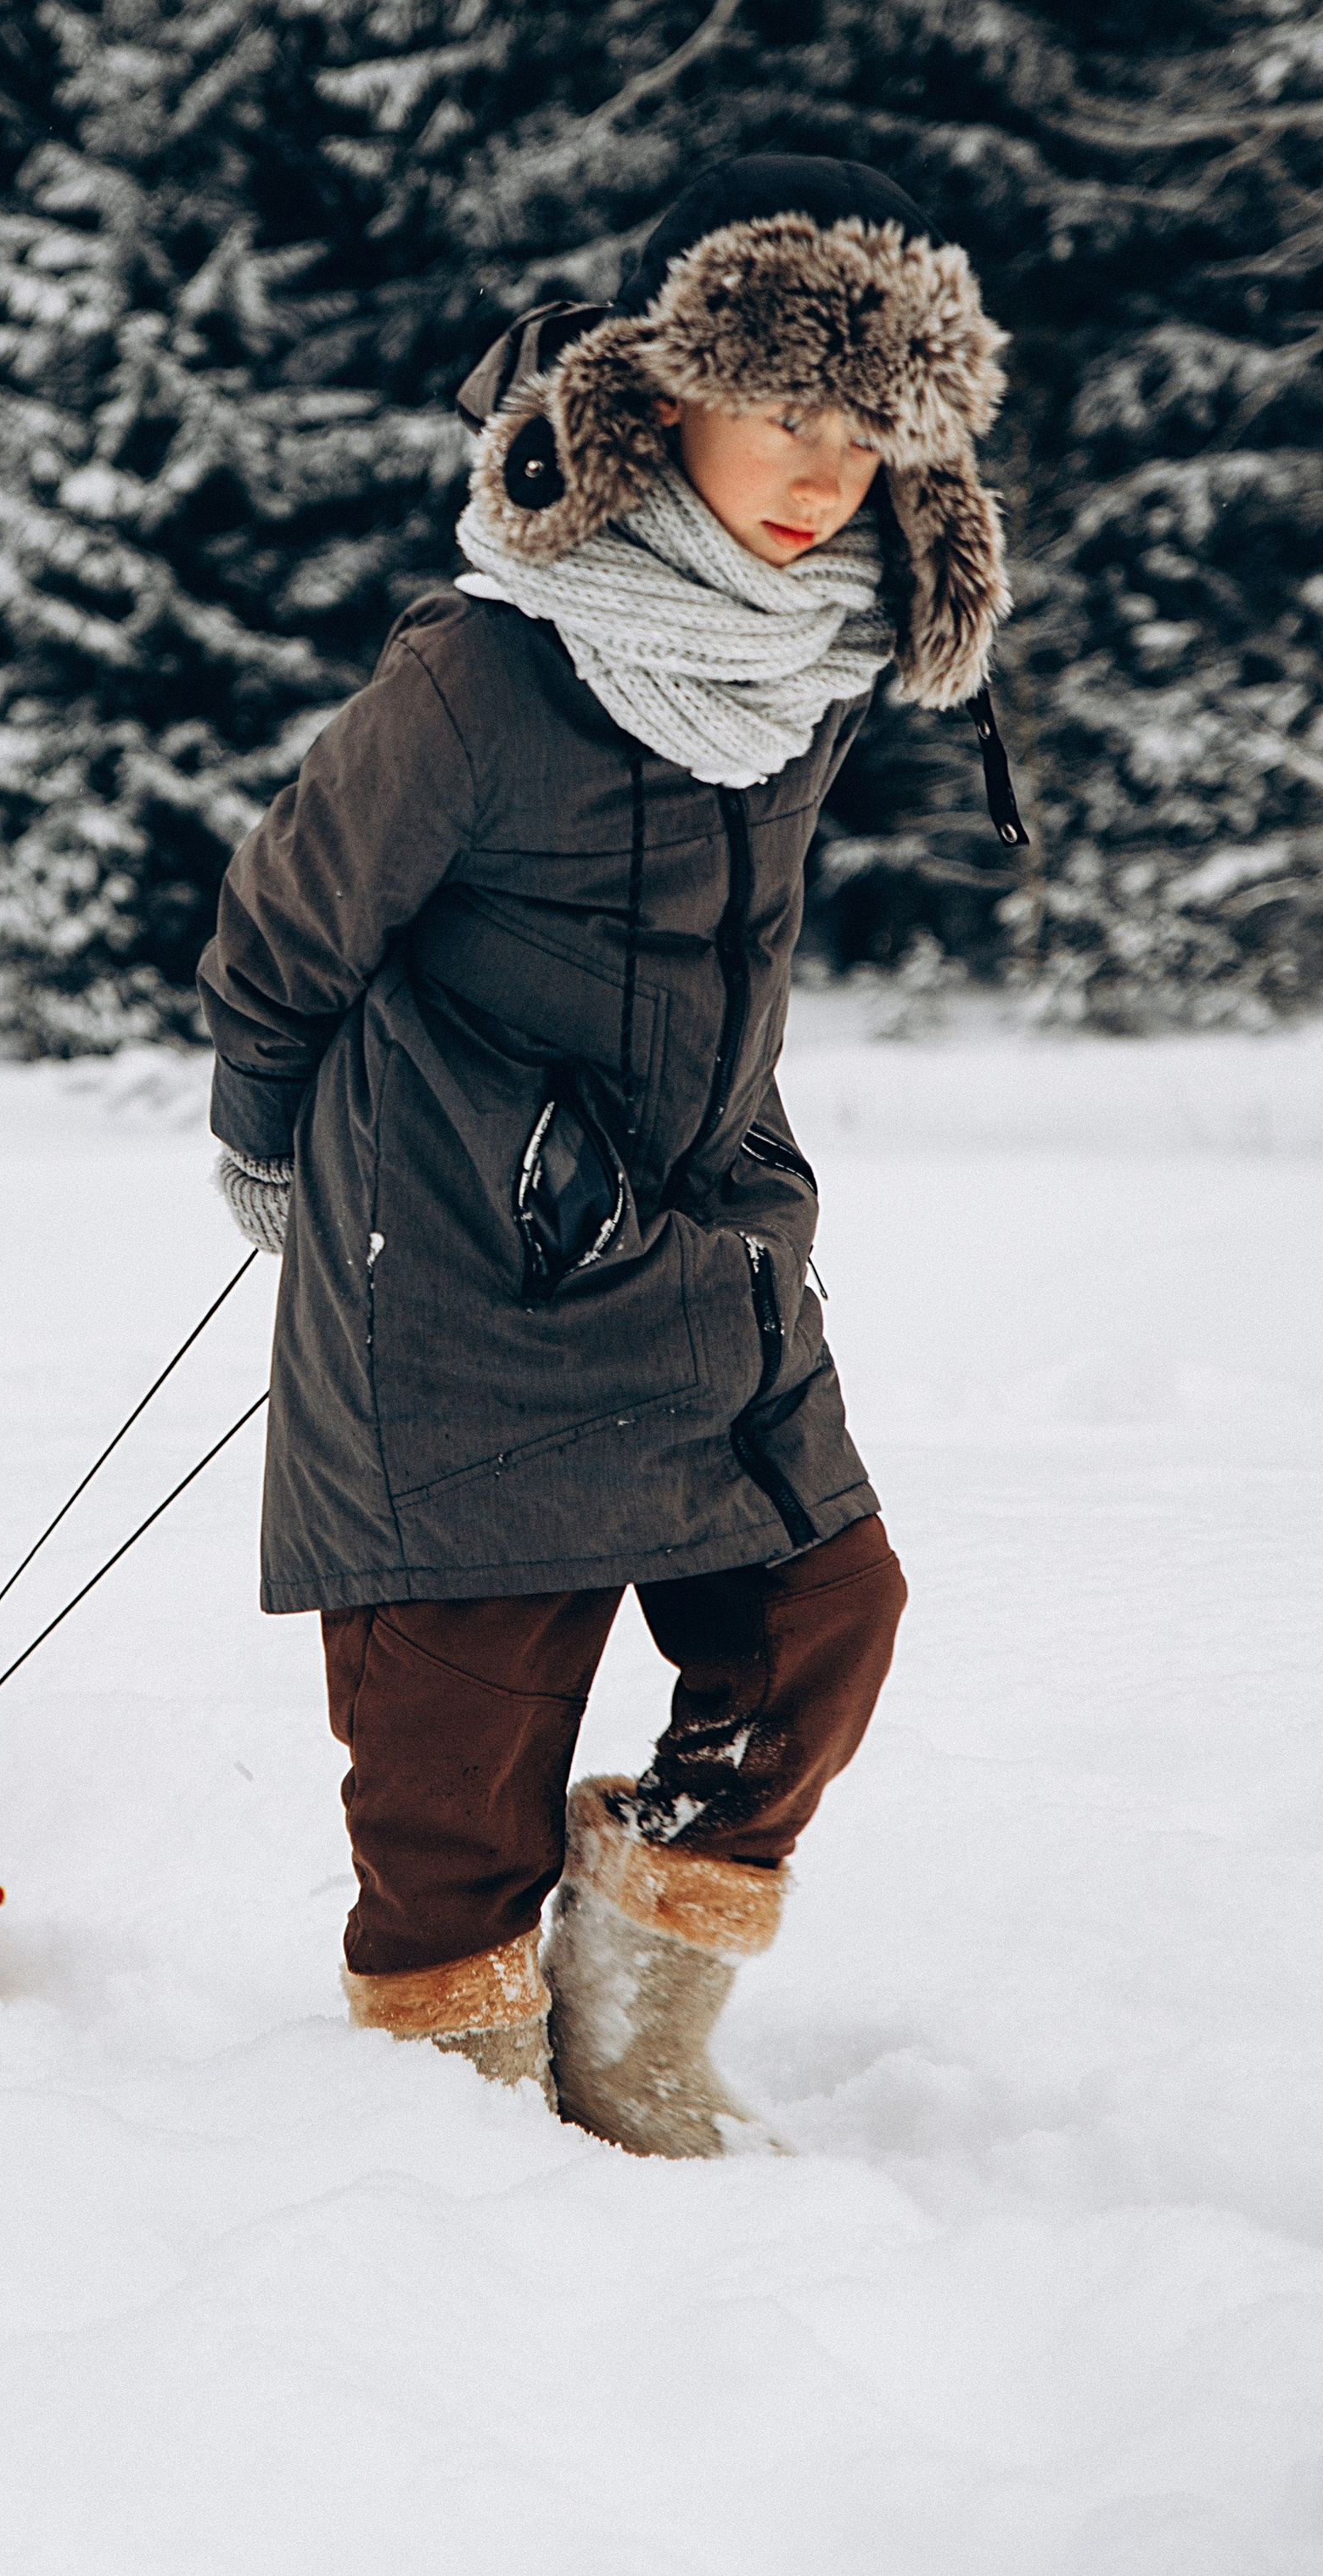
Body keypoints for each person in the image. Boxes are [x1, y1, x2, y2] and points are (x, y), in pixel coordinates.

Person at [199, 154, 1012, 2153]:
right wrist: (271, 1170)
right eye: (784, 413)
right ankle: (451, 2120)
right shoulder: (479, 673)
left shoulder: (813, 665)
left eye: (863, 430)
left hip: (706, 1239)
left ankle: (638, 2024)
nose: (820, 474)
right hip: (456, 1262)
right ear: (665, 396)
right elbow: (280, 931)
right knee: (450, 1769)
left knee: (822, 1612)